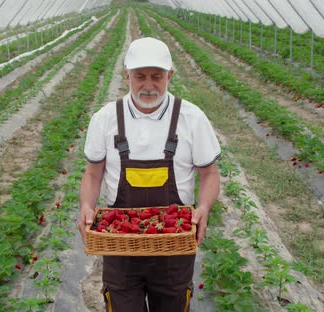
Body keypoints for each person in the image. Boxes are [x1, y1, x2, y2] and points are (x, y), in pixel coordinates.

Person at [78, 37, 220, 312]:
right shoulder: (106, 118)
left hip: (174, 246)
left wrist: (203, 207)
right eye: (140, 76)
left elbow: (210, 173)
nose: (148, 85)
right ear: (127, 75)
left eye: (157, 77)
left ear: (170, 75)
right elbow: (93, 174)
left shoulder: (191, 118)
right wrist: (86, 205)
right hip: (120, 245)